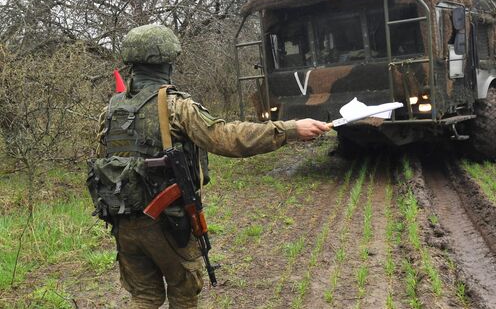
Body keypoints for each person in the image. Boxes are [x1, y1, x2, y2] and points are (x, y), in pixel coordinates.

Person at [88, 24, 329, 308]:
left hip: (122, 221)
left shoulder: (111, 110)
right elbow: (228, 138)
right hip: (166, 221)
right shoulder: (176, 107)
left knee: (144, 296)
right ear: (168, 62)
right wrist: (288, 129)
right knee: (184, 291)